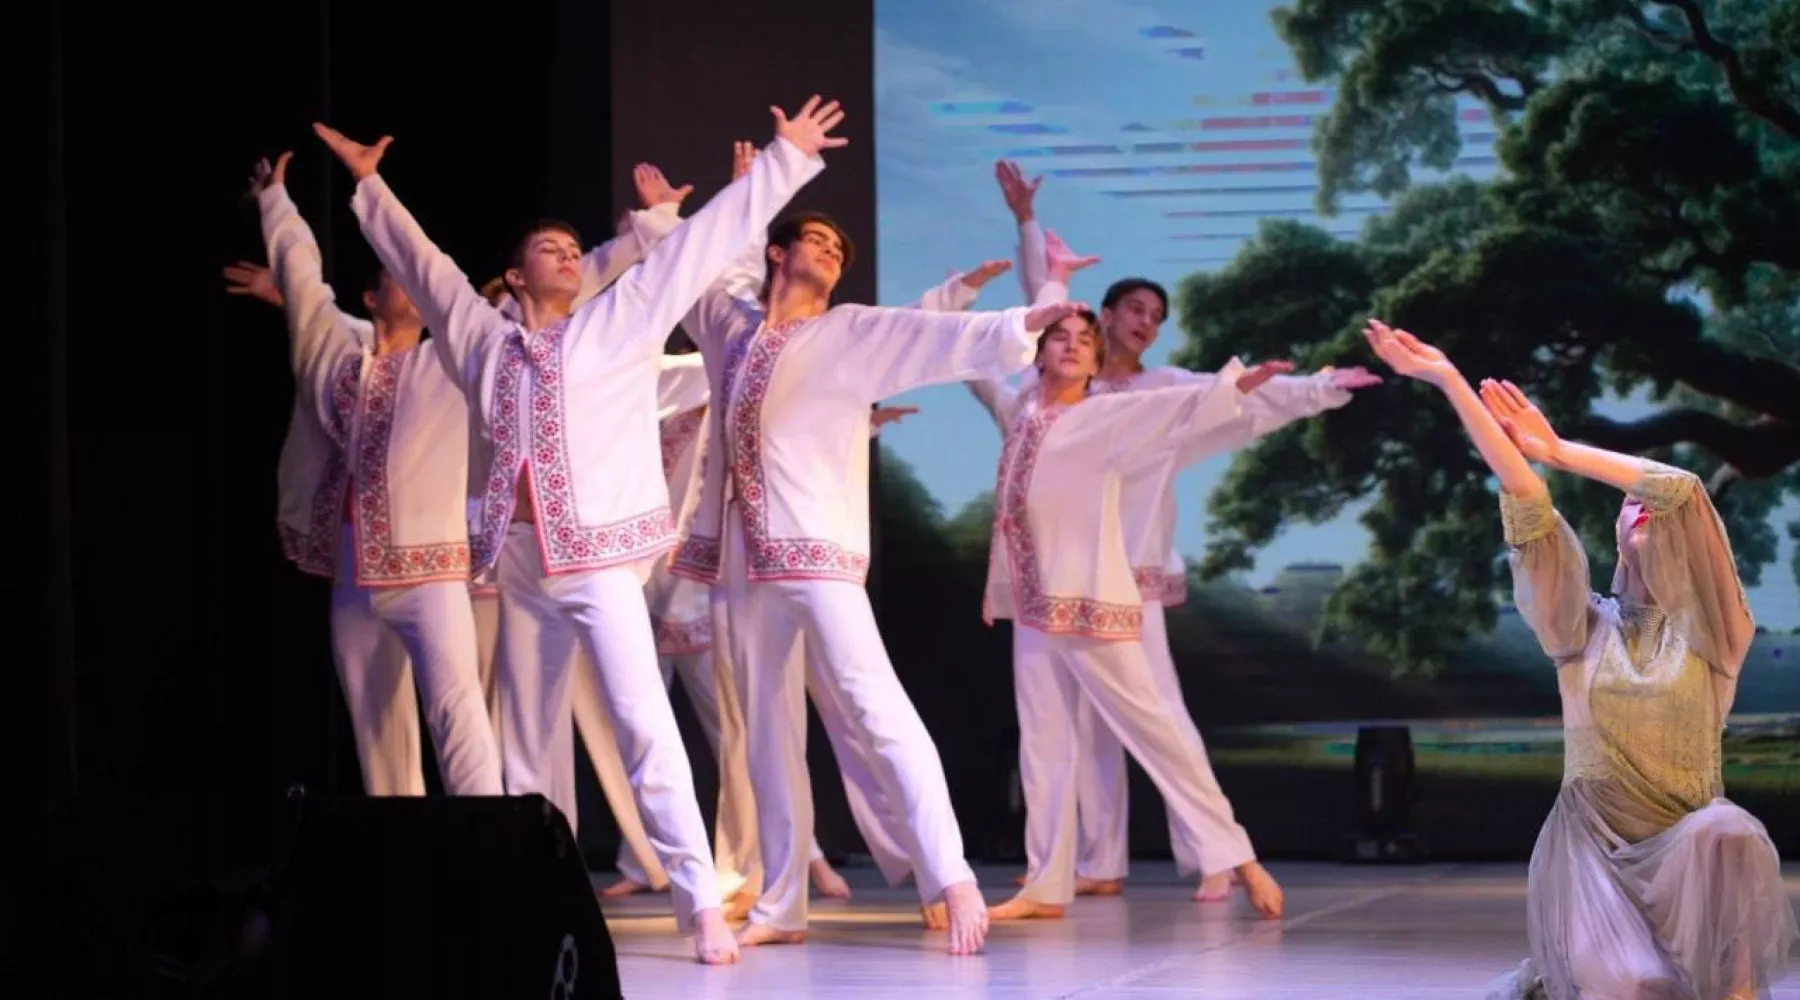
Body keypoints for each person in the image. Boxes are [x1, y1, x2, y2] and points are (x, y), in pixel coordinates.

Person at [317, 97, 845, 966]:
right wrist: (371, 187)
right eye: (548, 249)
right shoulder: (479, 338)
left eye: (574, 247)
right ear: (514, 276)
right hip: (520, 561)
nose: (568, 254)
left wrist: (785, 162)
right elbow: (425, 264)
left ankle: (699, 902)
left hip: (599, 563)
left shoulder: (617, 318)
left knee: (644, 725)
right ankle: (529, 899)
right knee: (527, 742)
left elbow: (700, 248)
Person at [672, 196, 1088, 954]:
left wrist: (1019, 322)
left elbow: (927, 336)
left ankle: (952, 874)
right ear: (777, 254)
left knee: (876, 707)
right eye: (818, 241)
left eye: (840, 250)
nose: (833, 253)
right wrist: (709, 208)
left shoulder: (848, 330)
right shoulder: (729, 326)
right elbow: (687, 267)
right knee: (764, 735)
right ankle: (781, 904)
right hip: (741, 558)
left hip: (818, 554)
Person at [1358, 320, 1796, 1000]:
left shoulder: (1716, 631)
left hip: (1691, 868)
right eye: (1629, 503)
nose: (1643, 506)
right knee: (1638, 988)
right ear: (1617, 534)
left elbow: (1682, 490)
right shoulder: (1581, 627)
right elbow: (1527, 501)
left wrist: (1559, 450)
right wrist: (1445, 377)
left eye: (1649, 500)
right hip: (1593, 863)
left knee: (1727, 828)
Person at [985, 161, 1381, 900]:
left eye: (1156, 316)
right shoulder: (1050, 398)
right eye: (1134, 309)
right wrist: (1032, 235)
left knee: (1153, 715)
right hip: (1049, 584)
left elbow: (1235, 399)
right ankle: (1090, 864)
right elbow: (1037, 324)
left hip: (1123, 578)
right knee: (1066, 727)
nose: (1146, 322)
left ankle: (1217, 854)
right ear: (1103, 317)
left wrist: (1320, 388)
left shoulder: (1146, 396)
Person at [973, 279, 1291, 924]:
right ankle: (1046, 885)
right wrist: (998, 590)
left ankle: (1239, 855)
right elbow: (1011, 512)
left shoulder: (1104, 416)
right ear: (1039, 354)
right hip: (1034, 609)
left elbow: (1173, 409)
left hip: (1091, 604)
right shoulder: (1026, 414)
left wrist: (1232, 387)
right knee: (1043, 747)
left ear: (1096, 361)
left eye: (1083, 341)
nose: (1071, 346)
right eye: (1059, 338)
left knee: (1155, 731)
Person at [231, 152, 501, 799]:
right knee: (376, 731)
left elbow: (458, 295)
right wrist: (276, 202)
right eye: (395, 278)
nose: (413, 285)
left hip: (431, 572)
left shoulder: (449, 365)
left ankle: (487, 843)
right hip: (356, 573)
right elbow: (306, 286)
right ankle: (400, 850)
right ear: (372, 299)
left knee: (458, 714)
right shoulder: (342, 361)